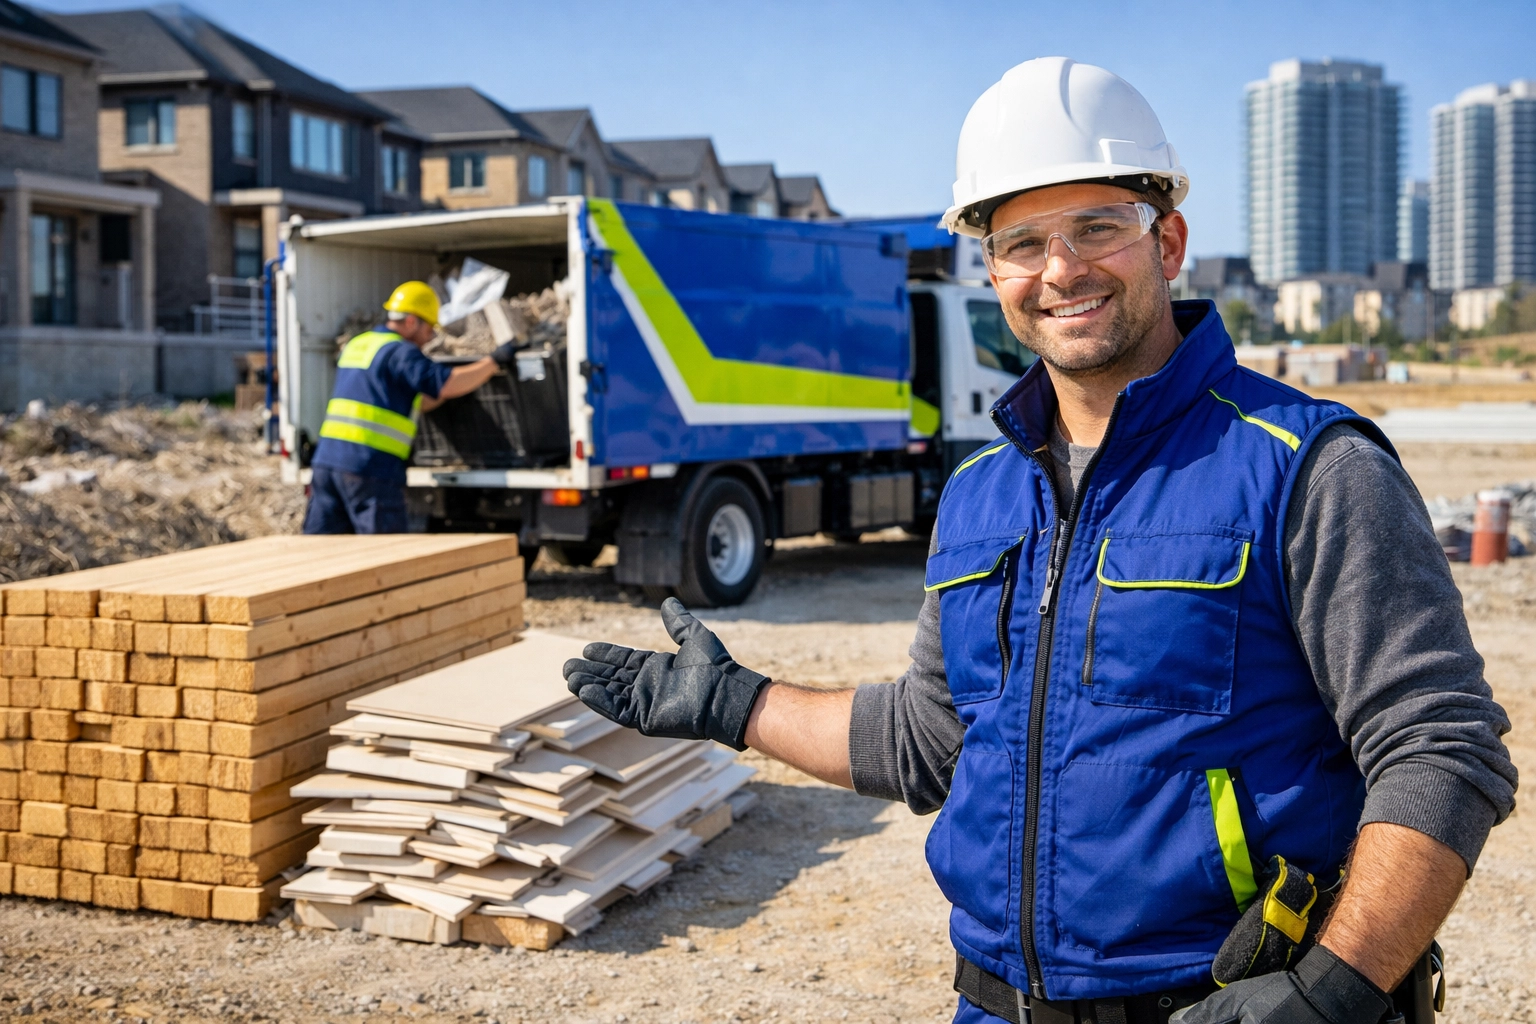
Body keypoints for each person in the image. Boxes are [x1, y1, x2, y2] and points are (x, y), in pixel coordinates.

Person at [562, 58, 1516, 1024]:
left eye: (1097, 226)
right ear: (994, 273)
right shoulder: (980, 493)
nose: (1060, 270)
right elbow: (930, 739)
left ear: (1169, 241)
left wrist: (1335, 989)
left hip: (1221, 1005)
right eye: (1022, 242)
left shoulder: (1308, 465)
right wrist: (738, 703)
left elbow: (1442, 747)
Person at [302, 280, 516, 534]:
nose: (429, 340)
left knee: (322, 547)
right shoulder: (401, 352)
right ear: (412, 322)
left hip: (327, 465)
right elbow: (447, 384)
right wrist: (494, 361)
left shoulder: (358, 344)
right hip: (371, 469)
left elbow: (411, 399)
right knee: (386, 554)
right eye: (429, 330)